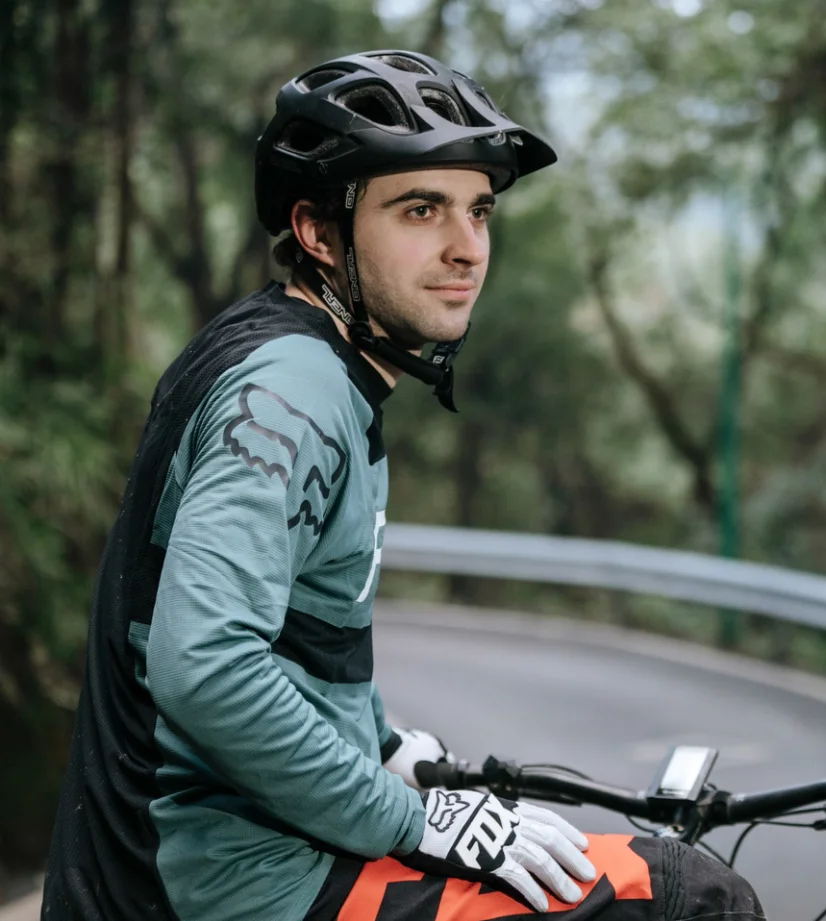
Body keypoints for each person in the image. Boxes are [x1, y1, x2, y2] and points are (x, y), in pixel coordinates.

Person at [40, 49, 765, 921]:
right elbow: (205, 664)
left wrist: (385, 747)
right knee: (685, 895)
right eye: (421, 209)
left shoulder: (284, 354)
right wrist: (417, 819)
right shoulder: (295, 389)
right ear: (319, 232)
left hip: (203, 862)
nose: (467, 248)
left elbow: (301, 644)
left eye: (478, 210)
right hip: (231, 882)